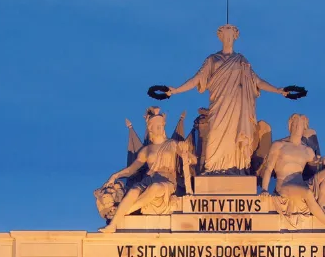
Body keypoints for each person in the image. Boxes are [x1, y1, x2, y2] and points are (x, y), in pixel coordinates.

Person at [162, 25, 297, 174]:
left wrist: (278, 90)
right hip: (218, 106)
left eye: (230, 35)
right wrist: (176, 90)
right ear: (220, 37)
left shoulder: (241, 61)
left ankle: (236, 169)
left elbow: (257, 81)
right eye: (225, 35)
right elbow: (196, 79)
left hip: (237, 108)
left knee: (235, 139)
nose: (228, 38)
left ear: (235, 37)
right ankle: (212, 169)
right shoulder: (212, 59)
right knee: (213, 136)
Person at [100, 108, 191, 229]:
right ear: (150, 128)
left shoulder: (173, 144)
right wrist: (115, 176)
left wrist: (185, 151)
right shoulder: (146, 150)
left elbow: (193, 160)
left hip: (166, 180)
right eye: (156, 125)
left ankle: (122, 215)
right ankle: (113, 225)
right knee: (133, 191)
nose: (159, 127)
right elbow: (131, 170)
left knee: (155, 187)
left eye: (161, 125)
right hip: (149, 179)